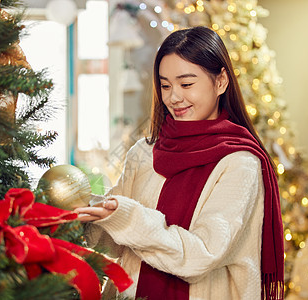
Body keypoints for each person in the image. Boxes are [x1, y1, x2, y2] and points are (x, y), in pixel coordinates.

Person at [74, 26, 284, 300]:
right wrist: (82, 218)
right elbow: (117, 241)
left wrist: (127, 216)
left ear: (220, 82)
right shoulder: (144, 153)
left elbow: (200, 256)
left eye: (186, 84)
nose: (173, 97)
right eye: (165, 85)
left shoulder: (239, 163)